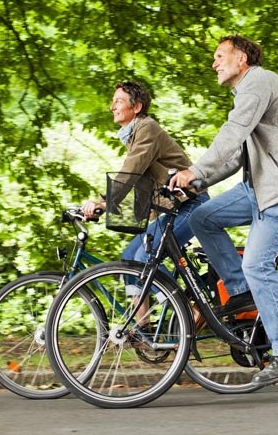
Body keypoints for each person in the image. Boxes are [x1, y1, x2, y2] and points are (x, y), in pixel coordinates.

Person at [170, 35, 278, 386]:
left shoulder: (257, 82)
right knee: (202, 217)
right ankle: (240, 290)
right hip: (262, 188)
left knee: (257, 264)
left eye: (219, 56)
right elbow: (234, 156)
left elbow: (231, 133)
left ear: (241, 58)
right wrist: (196, 184)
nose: (214, 63)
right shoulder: (249, 93)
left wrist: (194, 170)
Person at [82, 81, 210, 328]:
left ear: (137, 107)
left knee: (144, 256)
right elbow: (139, 183)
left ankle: (189, 311)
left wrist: (101, 203)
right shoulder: (135, 134)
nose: (112, 107)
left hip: (191, 205)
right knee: (130, 257)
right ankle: (144, 330)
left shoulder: (147, 128)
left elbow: (130, 171)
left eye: (118, 101)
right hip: (174, 208)